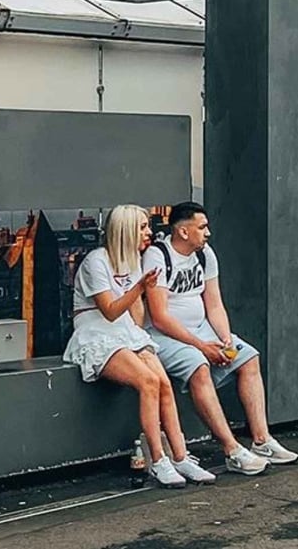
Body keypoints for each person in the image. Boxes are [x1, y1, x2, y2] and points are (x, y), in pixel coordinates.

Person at [63, 205, 216, 487]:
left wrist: (139, 296)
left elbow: (135, 317)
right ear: (126, 230)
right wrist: (140, 288)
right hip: (96, 333)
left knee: (164, 384)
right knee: (147, 382)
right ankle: (158, 459)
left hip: (126, 332)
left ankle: (180, 457)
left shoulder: (134, 260)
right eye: (143, 227)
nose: (149, 233)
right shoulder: (97, 261)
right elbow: (108, 310)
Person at [143, 202, 298, 474]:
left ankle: (262, 440)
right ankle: (232, 449)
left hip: (202, 328)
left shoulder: (205, 255)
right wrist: (201, 346)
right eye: (202, 227)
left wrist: (225, 339)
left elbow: (214, 304)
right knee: (199, 368)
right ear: (183, 231)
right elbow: (159, 317)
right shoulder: (158, 256)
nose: (208, 233)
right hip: (165, 335)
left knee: (248, 358)